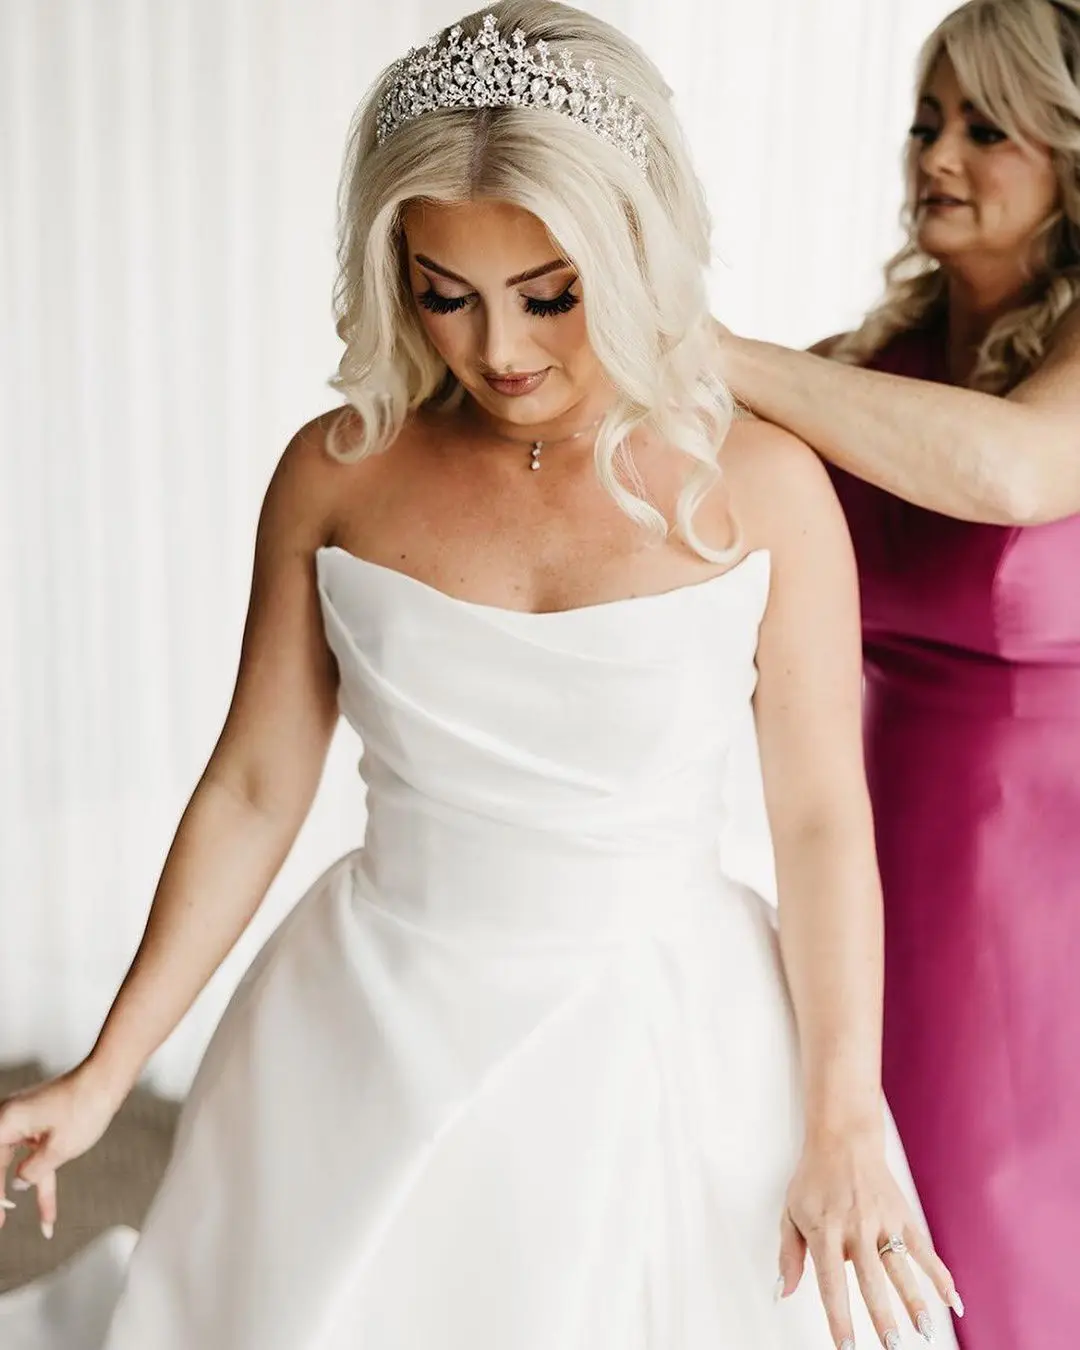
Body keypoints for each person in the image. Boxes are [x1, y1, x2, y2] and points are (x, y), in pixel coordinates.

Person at [0, 4, 960, 1347]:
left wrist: (842, 1109)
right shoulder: (337, 471)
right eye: (444, 294)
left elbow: (817, 819)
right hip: (372, 1020)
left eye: (550, 294)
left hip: (670, 1039)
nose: (500, 350)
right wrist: (106, 1073)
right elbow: (256, 784)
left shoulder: (764, 486)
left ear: (634, 250)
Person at [714, 2, 1080, 1346]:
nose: (938, 154)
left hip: (1052, 891)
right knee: (855, 1191)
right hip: (879, 854)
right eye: (927, 120)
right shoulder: (870, 368)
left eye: (988, 129)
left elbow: (1009, 471)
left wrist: (717, 350)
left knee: (1012, 1229)